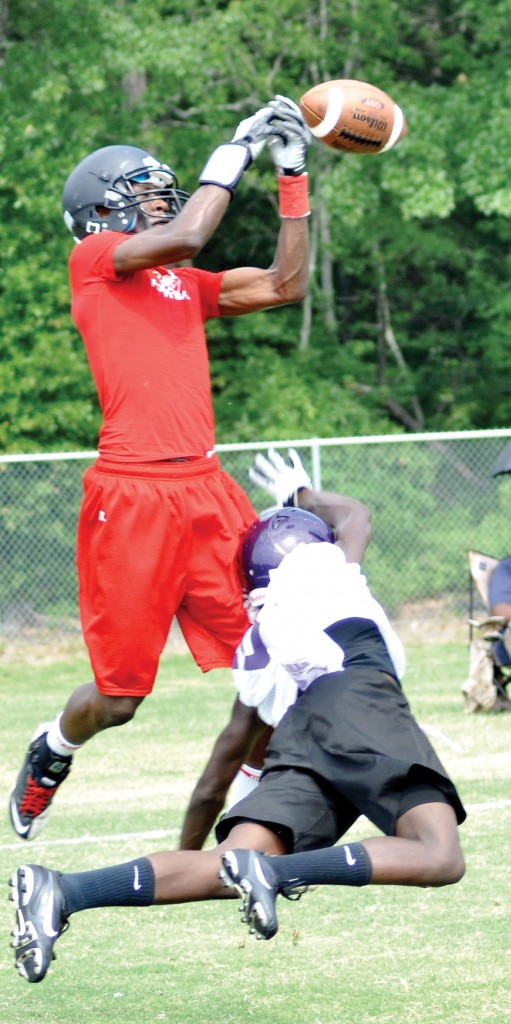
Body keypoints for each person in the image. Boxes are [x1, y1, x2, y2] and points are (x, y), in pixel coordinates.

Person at [9, 480, 466, 983]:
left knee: (230, 863)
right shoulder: (328, 570)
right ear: (311, 548)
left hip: (302, 736)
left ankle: (64, 891)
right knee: (438, 855)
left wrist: (189, 853)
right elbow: (356, 516)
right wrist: (302, 496)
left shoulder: (259, 642)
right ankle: (273, 872)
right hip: (358, 694)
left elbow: (215, 779)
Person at [8, 97, 312, 842]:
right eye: (142, 192)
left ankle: (255, 805)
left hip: (207, 492)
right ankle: (54, 747)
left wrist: (292, 174)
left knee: (281, 659)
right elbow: (190, 231)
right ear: (99, 212)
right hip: (133, 498)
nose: (161, 201)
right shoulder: (93, 263)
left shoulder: (182, 281)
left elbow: (285, 284)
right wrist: (235, 151)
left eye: (163, 190)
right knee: (119, 700)